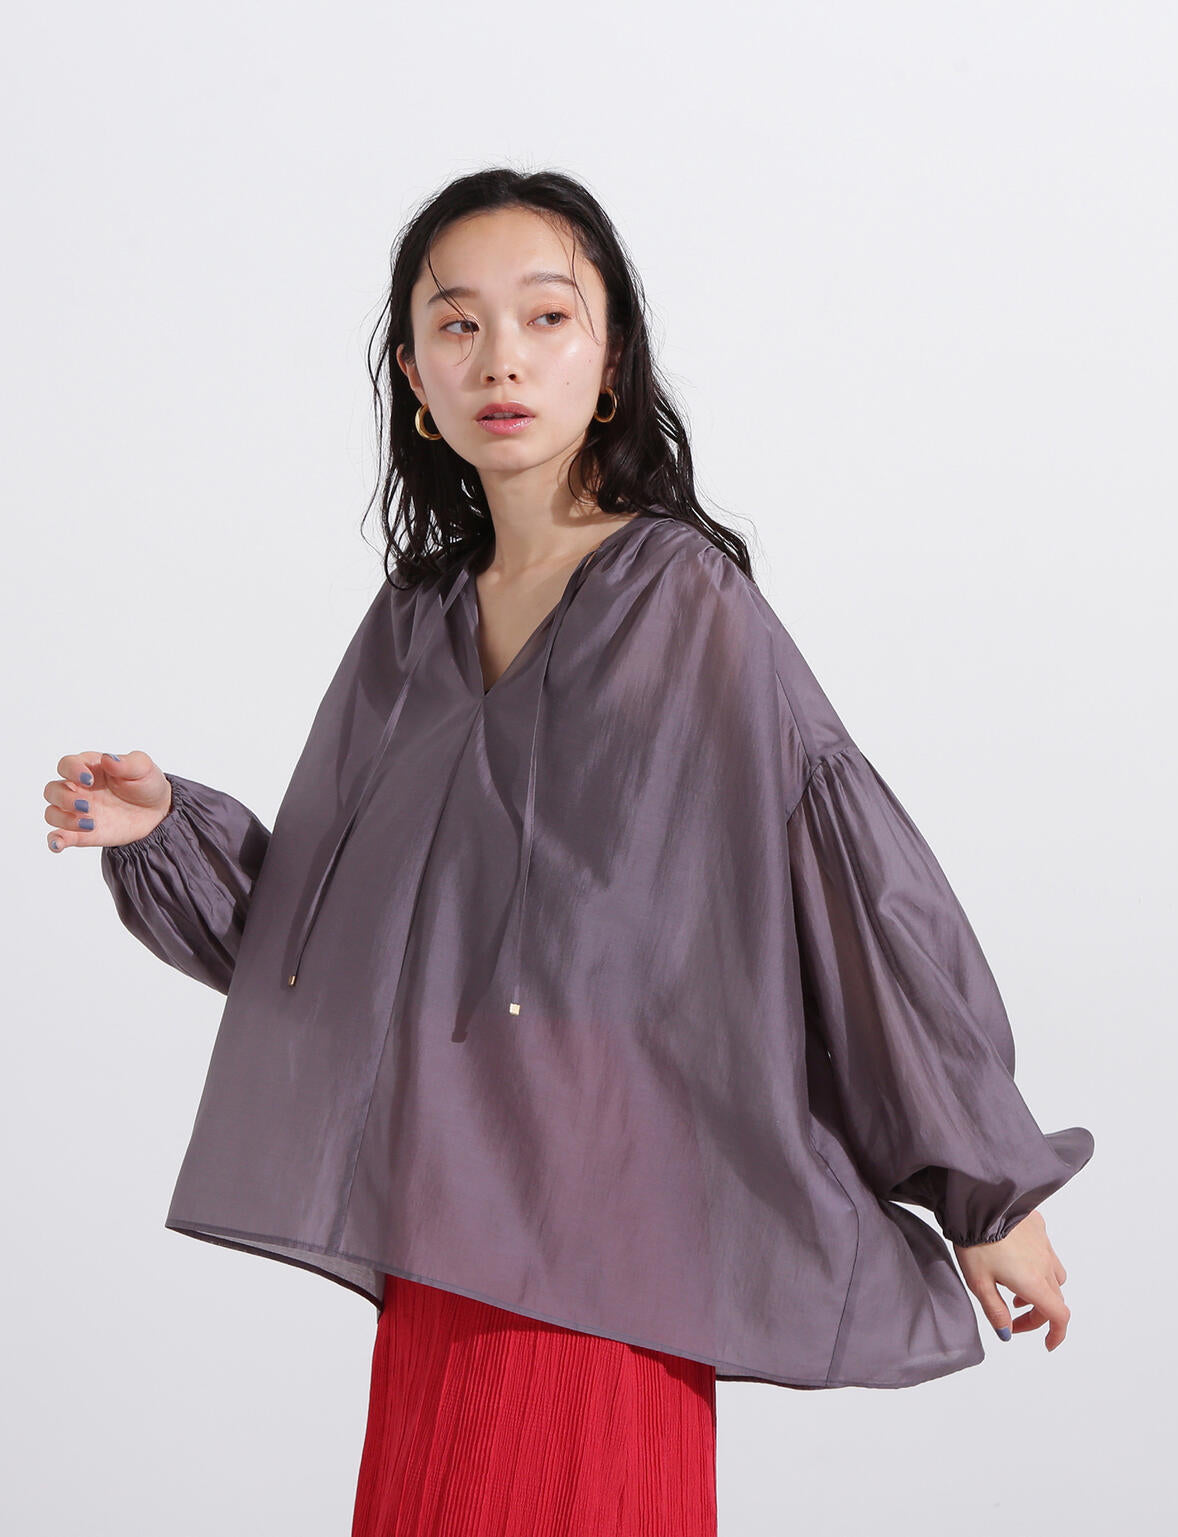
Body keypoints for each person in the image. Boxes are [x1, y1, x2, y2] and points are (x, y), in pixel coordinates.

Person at [46, 168, 1094, 1535]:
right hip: (442, 1224)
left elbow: (844, 893)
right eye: (458, 324)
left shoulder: (681, 601)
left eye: (546, 318)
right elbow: (332, 940)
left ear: (609, 364)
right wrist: (169, 833)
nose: (502, 359)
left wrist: (986, 1191)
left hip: (611, 1216)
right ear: (414, 377)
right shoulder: (415, 622)